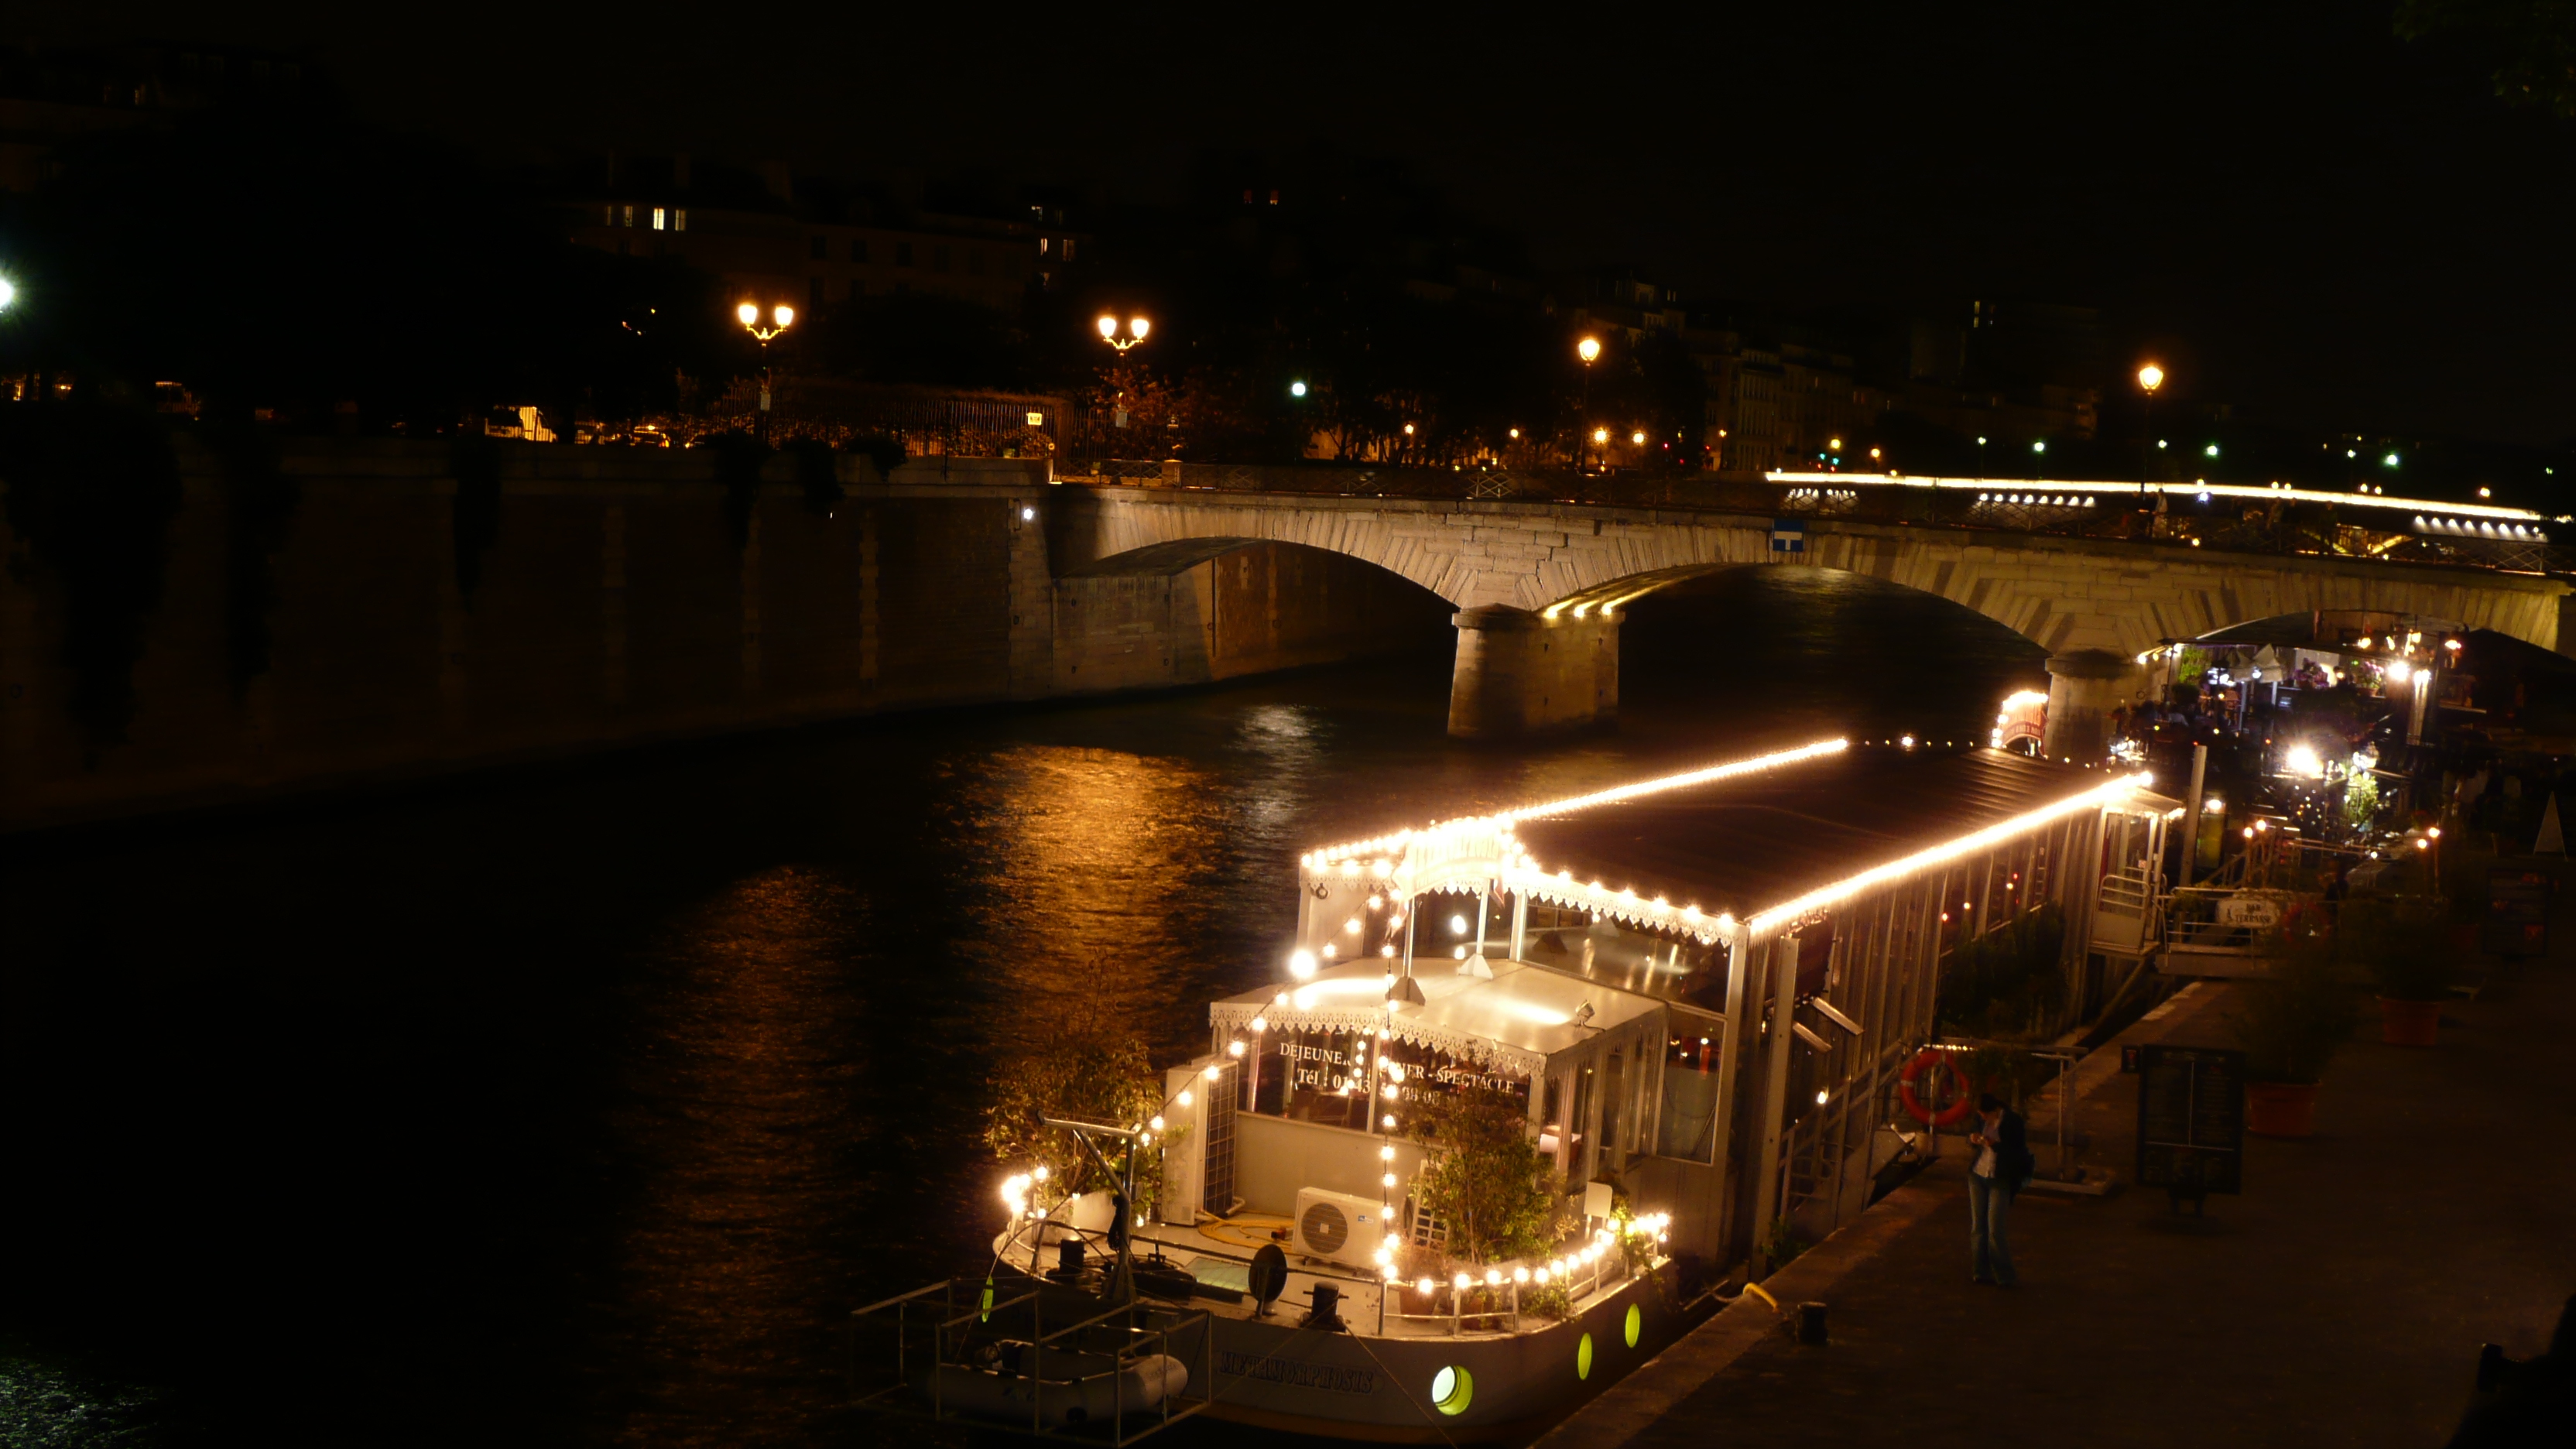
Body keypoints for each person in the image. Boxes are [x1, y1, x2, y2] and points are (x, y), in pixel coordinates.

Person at [1965, 1091, 2032, 1286]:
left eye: (1985, 1115)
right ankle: (1980, 1271)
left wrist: (1996, 1146)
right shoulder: (1980, 1118)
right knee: (1978, 1226)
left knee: (1995, 1228)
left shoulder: (2012, 1122)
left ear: (1994, 1110)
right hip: (1978, 1174)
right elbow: (1970, 1137)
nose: (1983, 1118)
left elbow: (2018, 1152)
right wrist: (1972, 1138)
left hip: (2000, 1176)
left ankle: (2005, 1275)